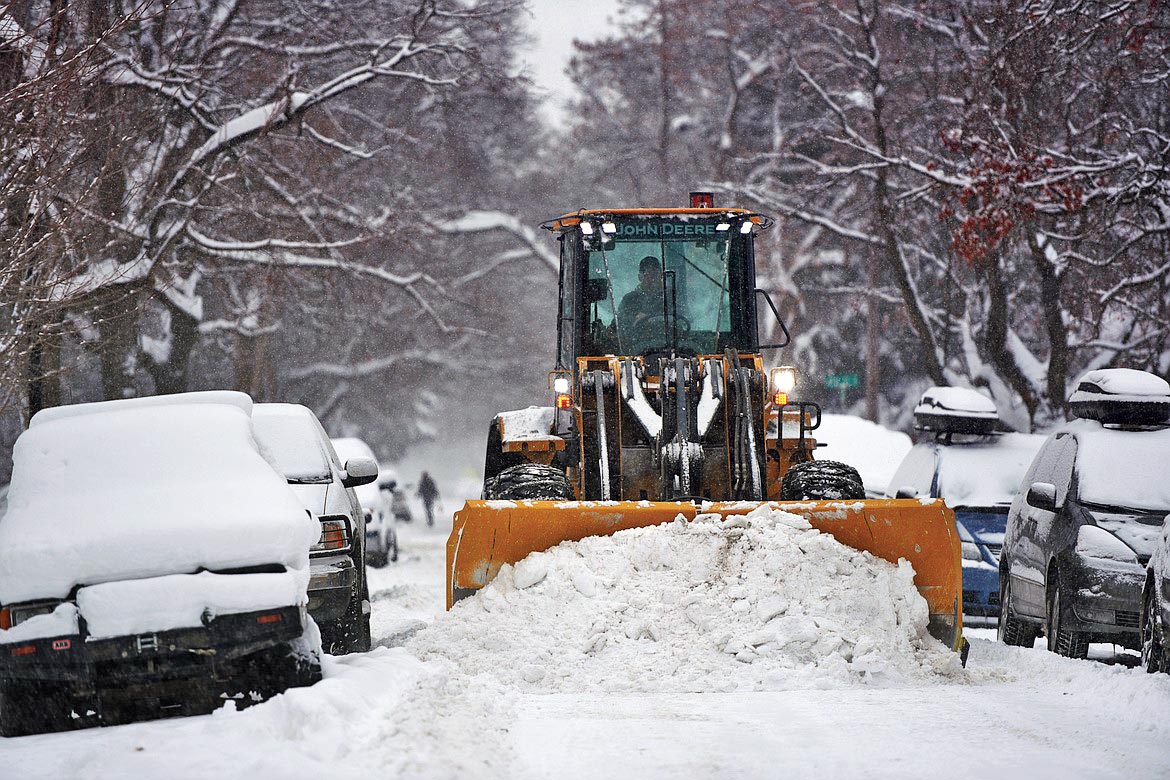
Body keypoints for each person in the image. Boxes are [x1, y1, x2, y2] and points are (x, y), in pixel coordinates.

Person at [617, 255, 665, 347]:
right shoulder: (629, 300)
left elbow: (682, 320)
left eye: (655, 274)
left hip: (671, 346)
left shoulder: (671, 297)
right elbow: (620, 326)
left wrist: (651, 318)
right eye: (647, 274)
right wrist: (635, 322)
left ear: (661, 275)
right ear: (640, 277)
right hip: (637, 348)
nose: (651, 278)